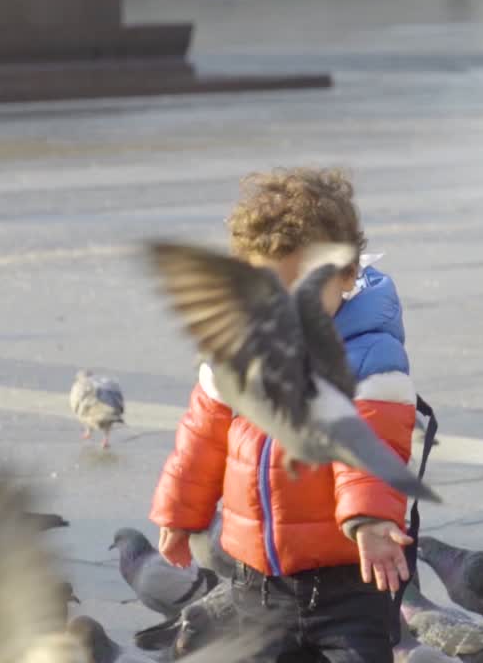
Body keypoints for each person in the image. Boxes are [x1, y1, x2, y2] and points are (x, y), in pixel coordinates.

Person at [149, 167, 418, 663]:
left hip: (348, 579)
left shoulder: (368, 357)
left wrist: (371, 520)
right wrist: (181, 512)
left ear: (347, 277)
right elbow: (203, 437)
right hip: (258, 584)